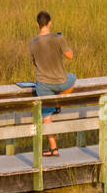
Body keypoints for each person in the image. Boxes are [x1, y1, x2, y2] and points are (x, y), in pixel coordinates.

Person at [29, 10, 76, 156]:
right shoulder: (58, 38)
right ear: (50, 23)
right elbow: (70, 56)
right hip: (61, 81)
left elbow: (34, 62)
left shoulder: (32, 42)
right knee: (72, 77)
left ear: (37, 24)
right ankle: (58, 101)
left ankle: (53, 148)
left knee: (46, 116)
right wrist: (63, 41)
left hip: (43, 84)